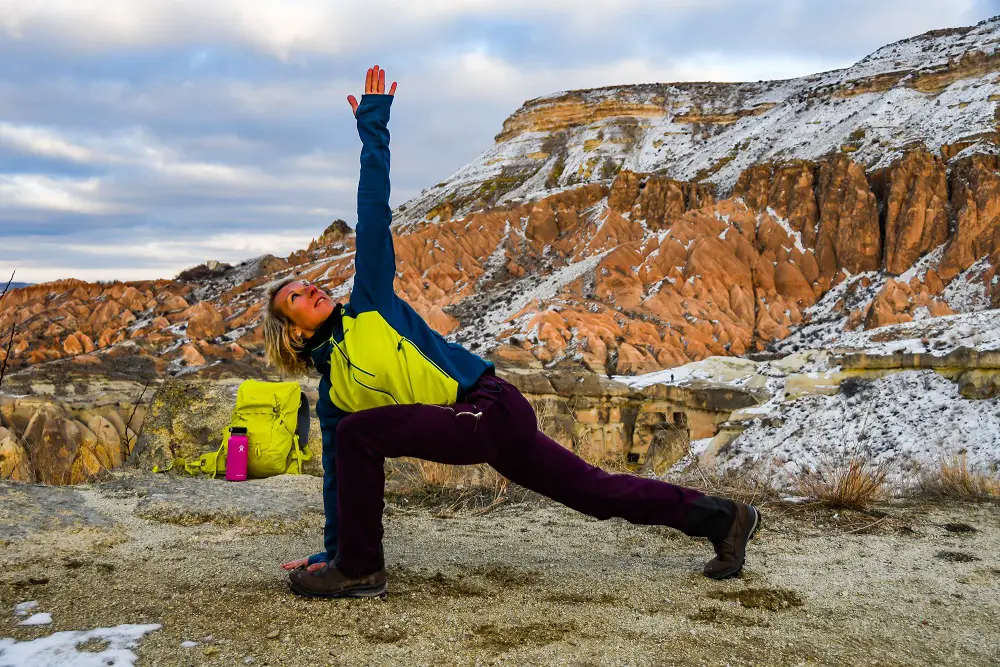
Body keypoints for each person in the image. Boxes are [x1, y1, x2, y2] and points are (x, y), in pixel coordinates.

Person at [265, 65, 761, 599]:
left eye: (310, 283)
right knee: (595, 492)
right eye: (296, 296)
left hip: (490, 406)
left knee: (365, 436)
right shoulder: (335, 393)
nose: (312, 289)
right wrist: (330, 553)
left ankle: (361, 571)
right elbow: (341, 481)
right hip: (471, 423)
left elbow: (371, 215)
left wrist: (373, 126)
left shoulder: (369, 305)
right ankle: (725, 519)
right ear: (293, 333)